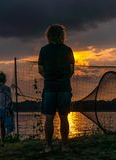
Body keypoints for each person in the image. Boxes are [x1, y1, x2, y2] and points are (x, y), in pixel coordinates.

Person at [38, 24, 75, 153]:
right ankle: (64, 145)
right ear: (62, 35)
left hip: (49, 88)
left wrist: (49, 78)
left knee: (49, 118)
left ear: (48, 36)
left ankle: (48, 146)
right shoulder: (68, 50)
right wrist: (64, 78)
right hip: (64, 87)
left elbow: (40, 70)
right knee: (64, 117)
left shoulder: (44, 50)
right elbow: (72, 70)